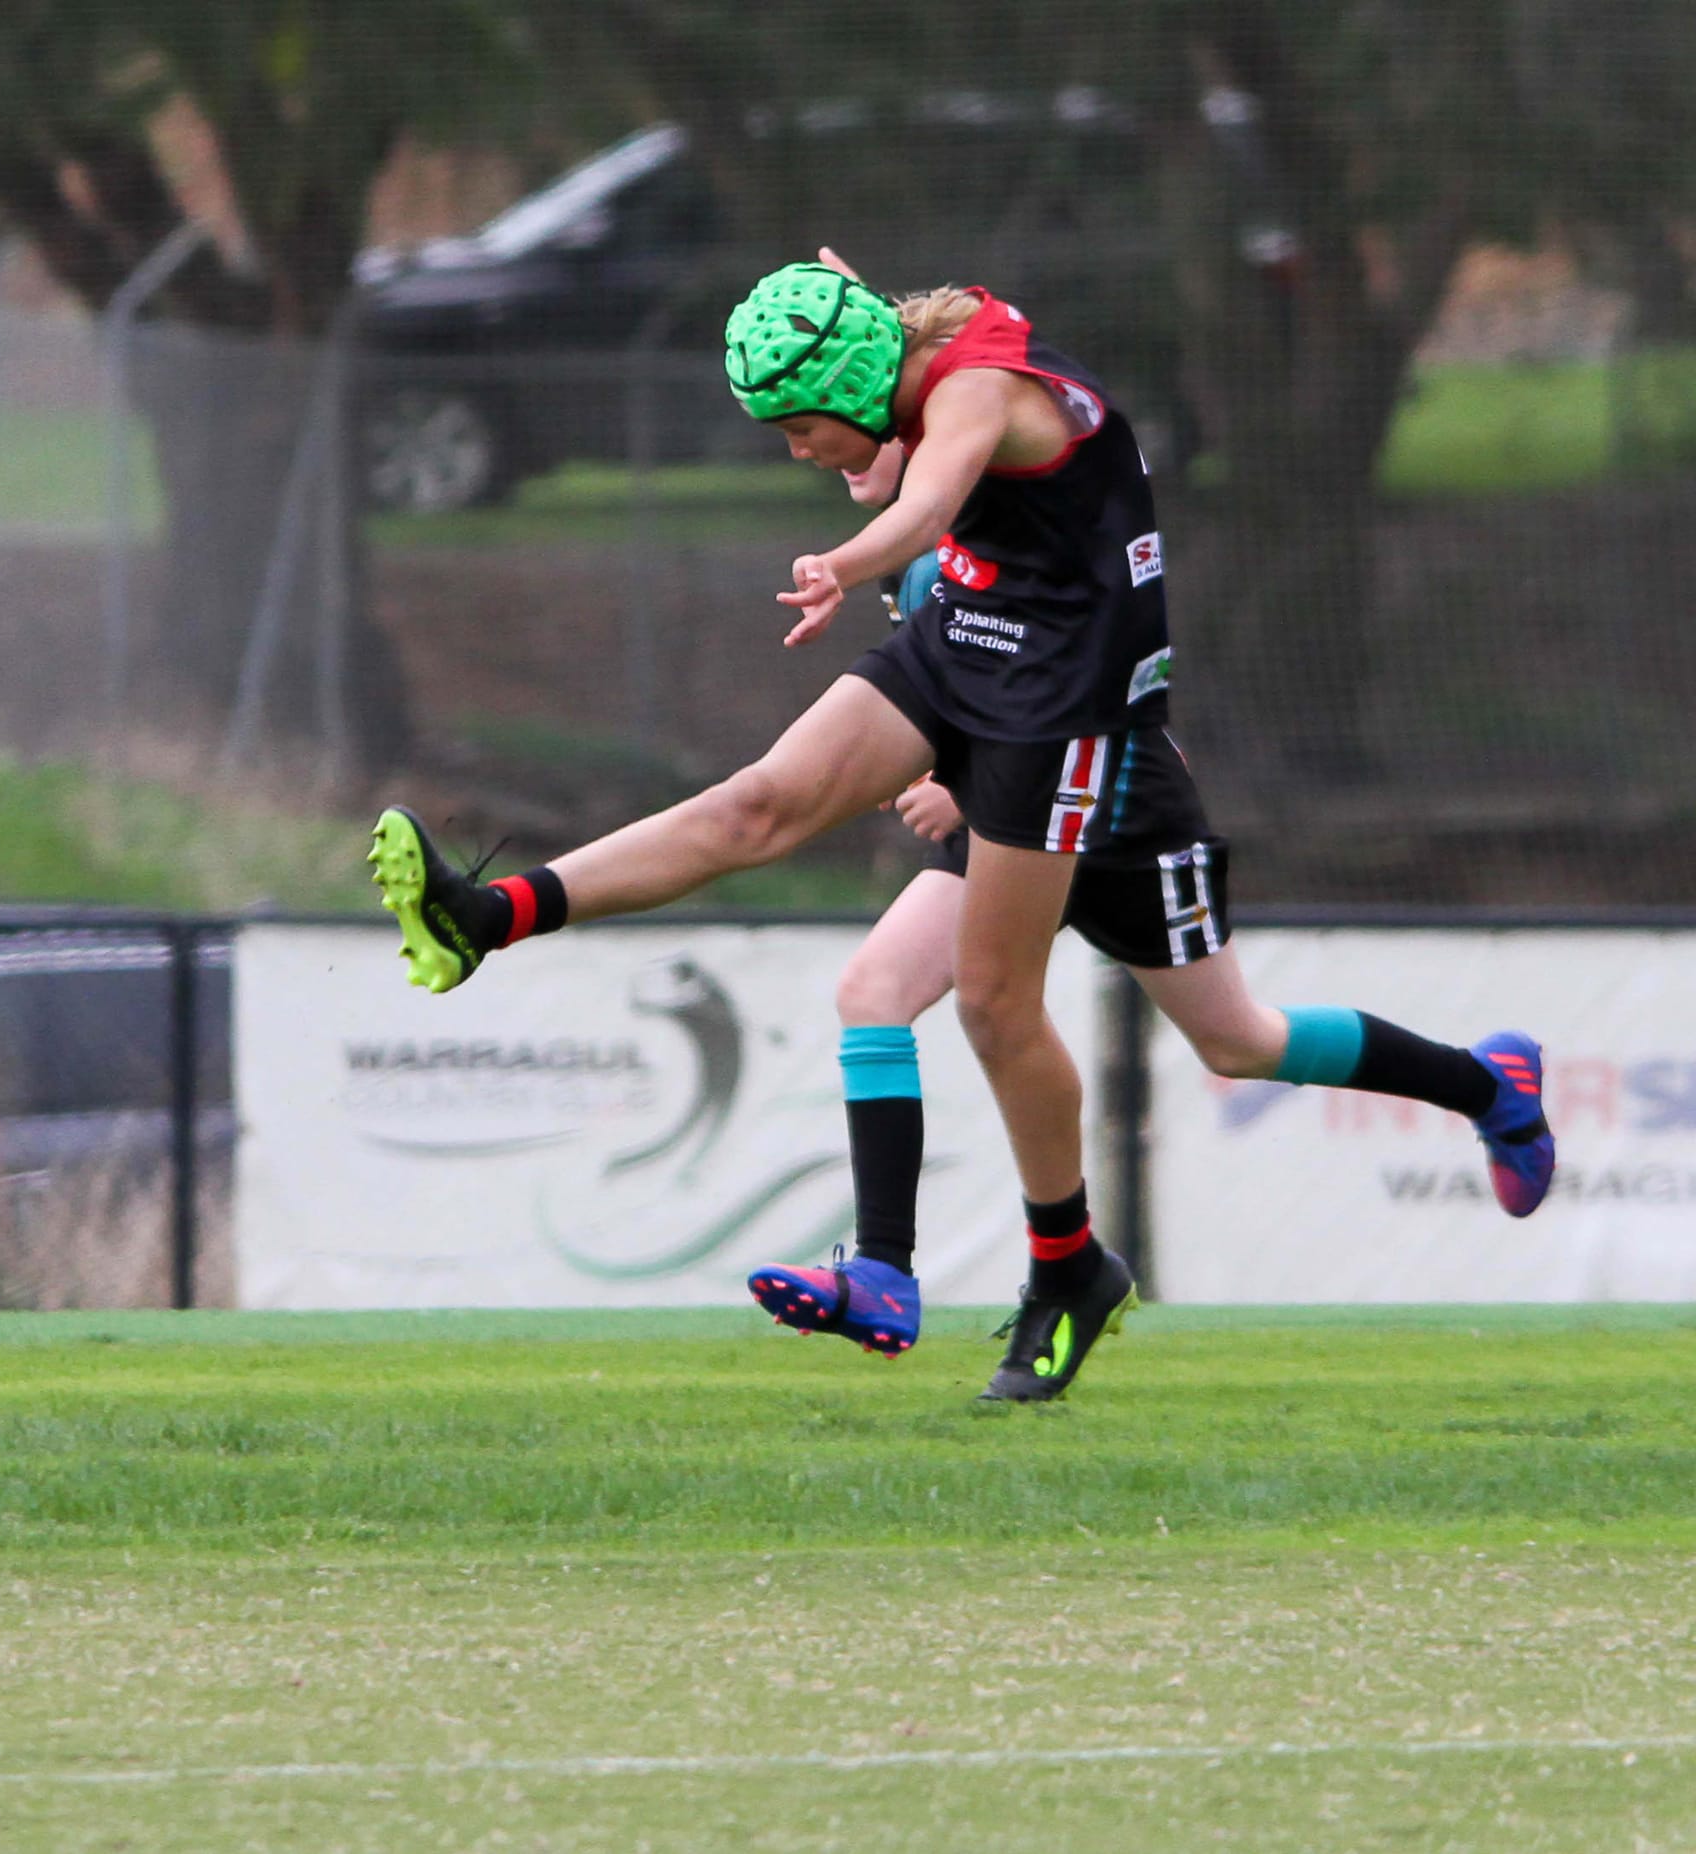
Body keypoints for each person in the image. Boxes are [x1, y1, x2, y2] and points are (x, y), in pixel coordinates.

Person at [370, 254, 1556, 1405]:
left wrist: (844, 562)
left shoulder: (975, 391)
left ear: (848, 387)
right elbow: (897, 423)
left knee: (1174, 1030)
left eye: (798, 430)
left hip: (1074, 730)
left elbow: (927, 498)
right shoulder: (903, 360)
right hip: (981, 664)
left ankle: (1083, 1262)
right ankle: (493, 918)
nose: (797, 455)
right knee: (781, 838)